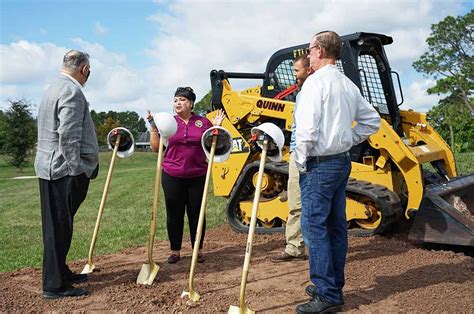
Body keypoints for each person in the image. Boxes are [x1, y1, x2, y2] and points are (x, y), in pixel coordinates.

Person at [294, 31, 381, 313]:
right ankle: (333, 285)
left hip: (319, 164)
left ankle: (326, 293)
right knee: (335, 226)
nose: (307, 54)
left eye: (309, 49)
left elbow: (306, 130)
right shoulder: (347, 84)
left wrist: (300, 160)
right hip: (341, 162)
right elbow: (372, 122)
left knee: (313, 228)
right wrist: (348, 138)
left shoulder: (313, 84)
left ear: (318, 50)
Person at [35, 50, 99, 299]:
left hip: (51, 169)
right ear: (84, 69)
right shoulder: (72, 91)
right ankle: (54, 285)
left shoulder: (53, 87)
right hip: (62, 172)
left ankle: (61, 272)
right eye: (89, 70)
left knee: (60, 224)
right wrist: (76, 169)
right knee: (58, 227)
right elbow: (68, 137)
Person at [148, 87, 224, 264]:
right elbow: (156, 148)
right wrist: (153, 127)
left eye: (182, 100)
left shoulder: (203, 122)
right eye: (175, 100)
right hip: (172, 174)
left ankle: (198, 249)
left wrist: (218, 127)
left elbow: (214, 143)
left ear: (190, 103)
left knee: (197, 213)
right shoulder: (168, 122)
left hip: (197, 175)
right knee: (174, 213)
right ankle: (175, 250)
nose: (178, 103)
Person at [271, 54, 313, 263]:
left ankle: (310, 247)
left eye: (297, 70)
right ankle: (295, 246)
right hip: (298, 152)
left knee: (308, 203)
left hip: (310, 153)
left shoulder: (315, 92)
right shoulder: (300, 93)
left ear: (309, 69)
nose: (294, 75)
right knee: (296, 202)